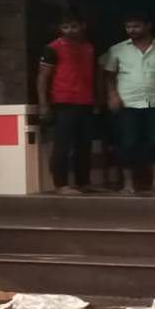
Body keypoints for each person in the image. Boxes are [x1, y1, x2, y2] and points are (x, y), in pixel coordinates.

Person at [102, 12, 155, 194]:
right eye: (128, 27)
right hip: (127, 102)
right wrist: (112, 95)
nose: (131, 30)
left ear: (148, 26)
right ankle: (128, 184)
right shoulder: (117, 49)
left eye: (136, 26)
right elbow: (109, 76)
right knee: (127, 143)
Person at [37, 13, 96, 195]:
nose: (69, 31)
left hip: (86, 101)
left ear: (83, 26)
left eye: (74, 27)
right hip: (63, 101)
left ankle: (84, 182)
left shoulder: (89, 48)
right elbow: (43, 78)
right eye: (65, 27)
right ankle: (61, 184)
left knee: (84, 144)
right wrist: (43, 104)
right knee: (62, 145)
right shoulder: (53, 48)